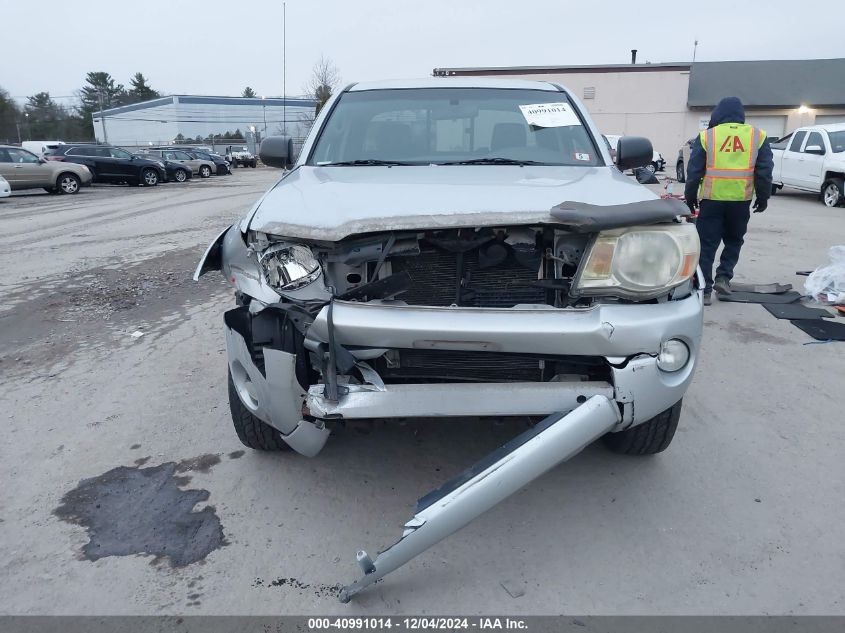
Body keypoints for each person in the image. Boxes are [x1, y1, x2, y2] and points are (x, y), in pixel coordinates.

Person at [684, 97, 773, 305]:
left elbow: (694, 171)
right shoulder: (757, 136)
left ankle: (704, 289)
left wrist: (690, 196)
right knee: (734, 240)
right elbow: (765, 171)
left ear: (717, 115)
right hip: (740, 201)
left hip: (712, 200)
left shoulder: (707, 136)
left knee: (707, 244)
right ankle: (724, 278)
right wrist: (763, 196)